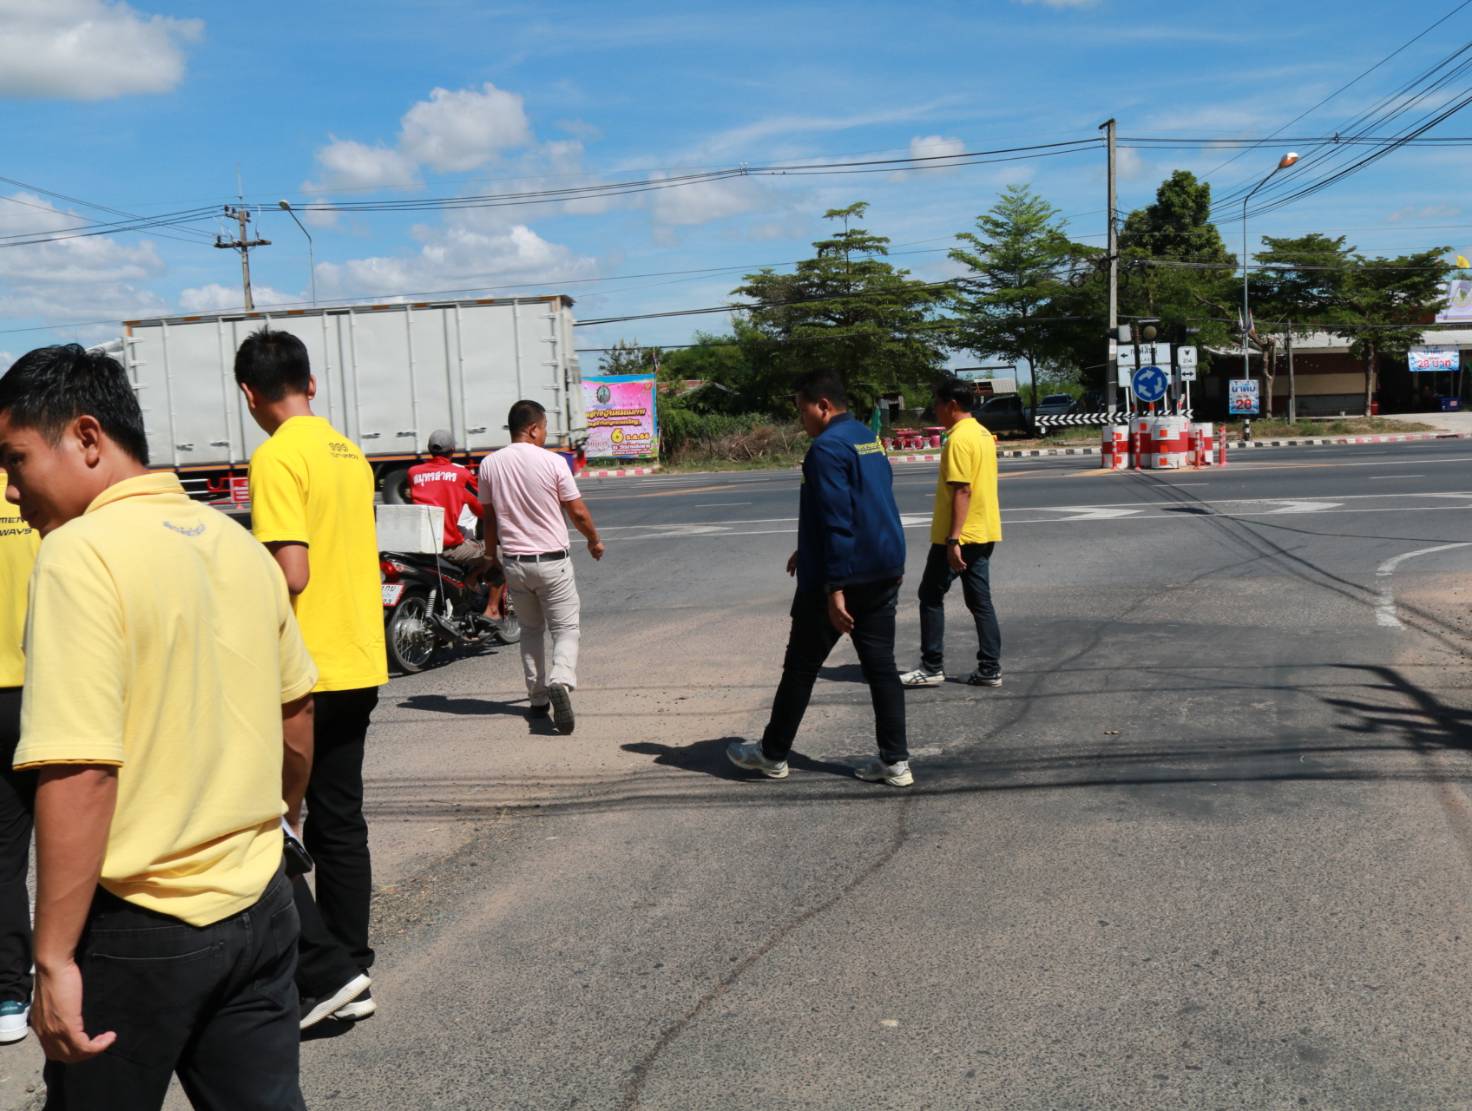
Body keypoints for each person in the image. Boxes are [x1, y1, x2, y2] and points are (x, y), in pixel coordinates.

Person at [0, 344, 316, 1108]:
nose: (10, 490)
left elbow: (80, 770)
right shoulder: (236, 543)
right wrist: (281, 819)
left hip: (142, 921)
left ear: (86, 436)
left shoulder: (79, 554)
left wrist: (53, 958)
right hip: (261, 902)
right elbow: (298, 715)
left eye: (15, 460)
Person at [236, 329, 388, 1028]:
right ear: (312, 383)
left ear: (249, 394)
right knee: (340, 821)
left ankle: (325, 972)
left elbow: (290, 573)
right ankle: (351, 965)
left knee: (265, 823)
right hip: (359, 657)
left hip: (303, 670)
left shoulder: (275, 456)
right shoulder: (348, 451)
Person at [726, 370, 912, 788]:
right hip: (884, 566)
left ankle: (772, 755)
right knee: (881, 668)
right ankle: (895, 762)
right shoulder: (867, 438)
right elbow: (866, 502)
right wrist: (806, 548)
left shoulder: (825, 448)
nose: (801, 419)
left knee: (800, 667)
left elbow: (837, 519)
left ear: (823, 406)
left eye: (802, 409)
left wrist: (834, 588)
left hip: (841, 576)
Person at [478, 400, 604, 734]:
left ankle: (537, 699)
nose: (546, 434)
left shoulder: (489, 465)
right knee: (565, 629)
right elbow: (577, 512)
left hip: (515, 565)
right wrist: (594, 540)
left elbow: (488, 519)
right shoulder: (554, 462)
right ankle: (560, 680)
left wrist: (490, 558)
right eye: (545, 427)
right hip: (552, 563)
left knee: (531, 630)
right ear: (533, 429)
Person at [900, 375, 1003, 689]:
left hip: (961, 535)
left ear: (952, 405)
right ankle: (990, 668)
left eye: (937, 403)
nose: (935, 409)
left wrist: (953, 540)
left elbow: (962, 490)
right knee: (980, 602)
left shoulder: (958, 440)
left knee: (930, 596)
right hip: (984, 531)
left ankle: (931, 666)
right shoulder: (982, 433)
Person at [0, 465, 37, 1046]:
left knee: (4, 852)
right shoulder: (41, 479)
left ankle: (10, 991)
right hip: (53, 682)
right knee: (91, 834)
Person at [409, 429, 500, 619]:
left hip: (419, 545)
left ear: (429, 449)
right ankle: (489, 605)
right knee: (501, 553)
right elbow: (481, 509)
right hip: (448, 547)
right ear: (452, 450)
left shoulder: (413, 473)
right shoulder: (460, 474)